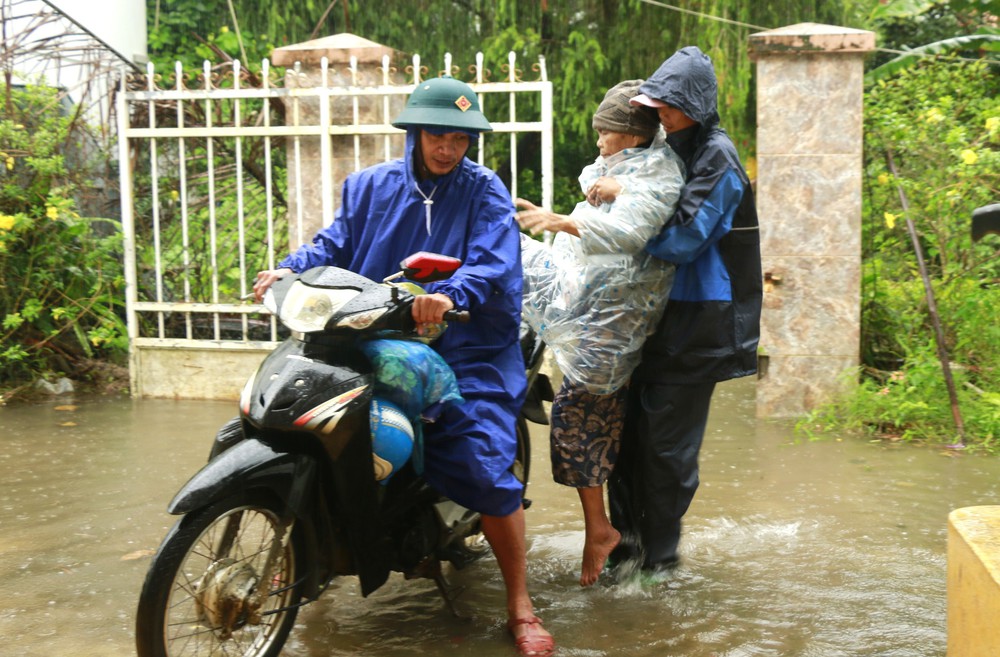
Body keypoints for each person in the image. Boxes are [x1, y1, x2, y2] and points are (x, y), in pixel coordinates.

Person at [252, 76, 554, 657]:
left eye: (460, 140)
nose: (448, 148)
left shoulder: (486, 192)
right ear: (415, 133)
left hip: (469, 344)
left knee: (482, 463)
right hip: (374, 333)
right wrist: (289, 267)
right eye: (438, 135)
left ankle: (520, 604)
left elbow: (492, 263)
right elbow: (334, 243)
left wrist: (450, 295)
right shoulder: (368, 186)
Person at [514, 79, 684, 586]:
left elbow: (631, 231)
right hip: (597, 307)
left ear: (629, 135)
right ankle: (608, 531)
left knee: (573, 416)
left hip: (616, 319)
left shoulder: (653, 171)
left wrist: (559, 222)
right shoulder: (630, 169)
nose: (598, 141)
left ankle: (601, 530)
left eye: (604, 132)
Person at [606, 46, 763, 574]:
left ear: (695, 104)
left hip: (701, 325)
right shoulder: (670, 147)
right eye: (657, 105)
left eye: (671, 105)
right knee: (628, 441)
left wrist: (623, 208)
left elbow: (682, 238)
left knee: (665, 450)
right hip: (653, 319)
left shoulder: (718, 157)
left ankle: (659, 564)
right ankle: (624, 553)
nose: (663, 114)